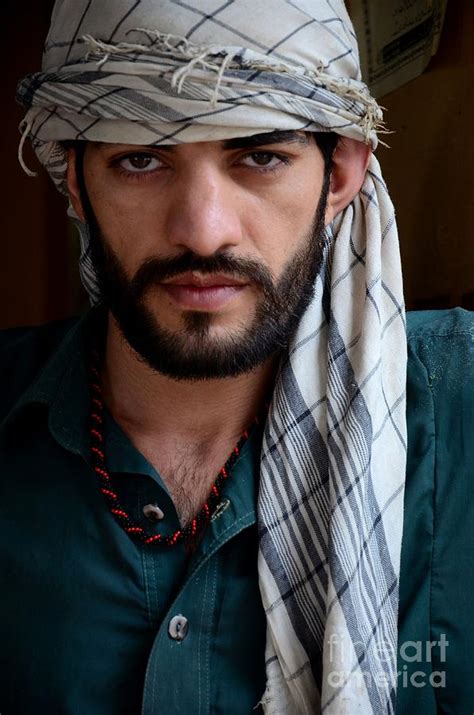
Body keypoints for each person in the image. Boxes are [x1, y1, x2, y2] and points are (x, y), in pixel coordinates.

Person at [1, 1, 473, 713]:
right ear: (74, 180)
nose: (203, 230)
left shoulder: (460, 403)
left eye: (259, 156)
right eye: (140, 159)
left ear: (341, 171)